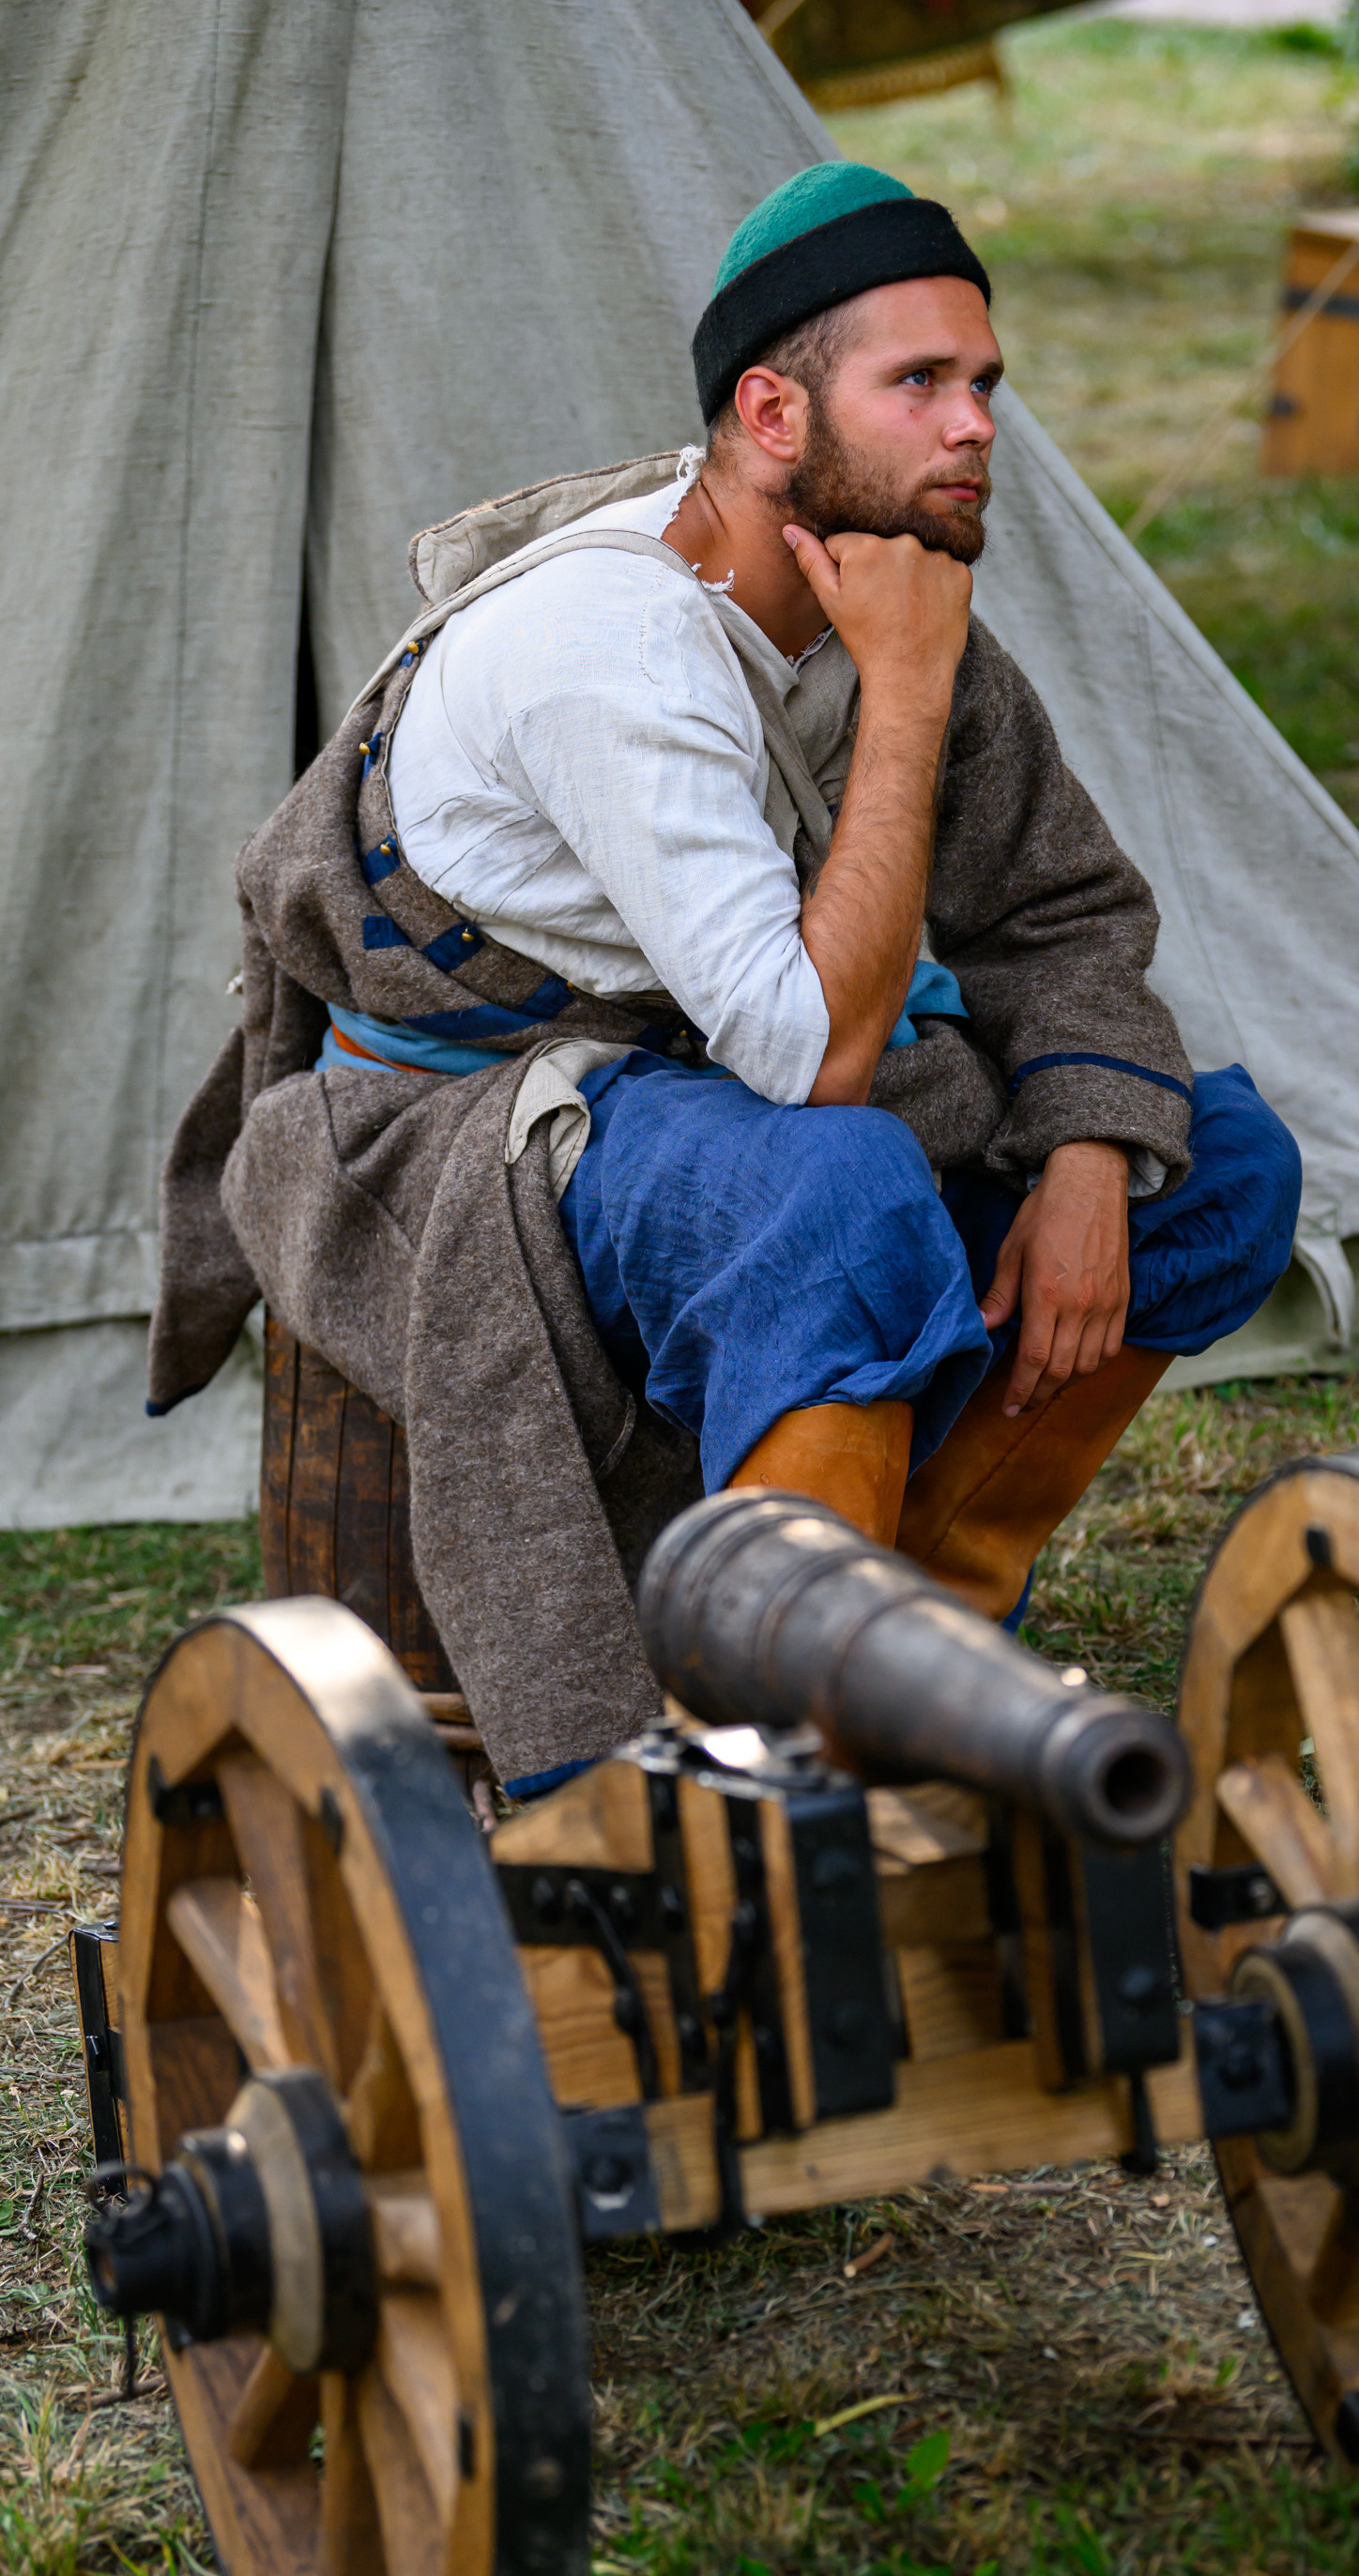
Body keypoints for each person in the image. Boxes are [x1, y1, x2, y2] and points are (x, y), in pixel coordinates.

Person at [149, 161, 1301, 1796]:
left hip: (711, 1094)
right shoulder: (617, 648)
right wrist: (902, 698)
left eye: (984, 385)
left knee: (1226, 1167)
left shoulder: (885, 593)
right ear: (771, 411)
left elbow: (1057, 912)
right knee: (840, 1183)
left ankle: (921, 1644)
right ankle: (779, 1769)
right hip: (472, 1131)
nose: (976, 426)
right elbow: (816, 1060)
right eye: (921, 385)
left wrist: (1092, 1158)